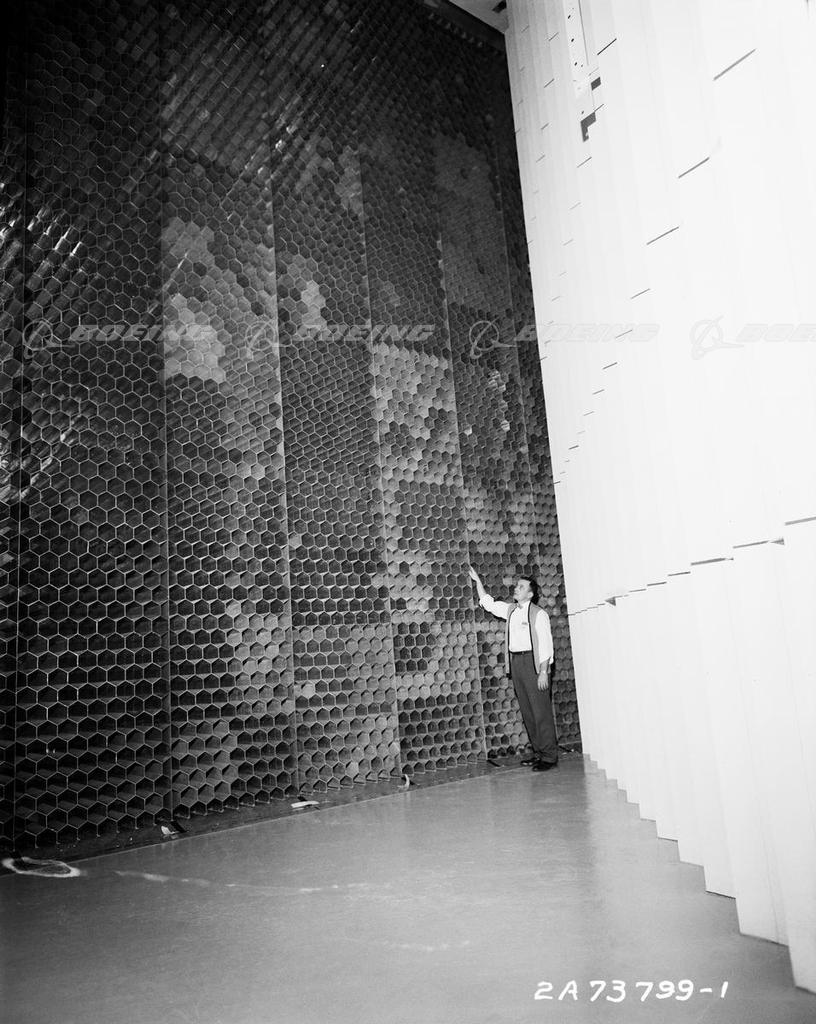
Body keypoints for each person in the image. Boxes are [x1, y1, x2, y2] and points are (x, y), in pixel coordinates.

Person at [469, 566, 558, 771]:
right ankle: (539, 753)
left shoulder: (539, 614)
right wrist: (478, 582)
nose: (516, 588)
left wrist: (543, 672)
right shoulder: (510, 610)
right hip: (517, 664)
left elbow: (546, 645)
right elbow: (489, 603)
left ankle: (549, 757)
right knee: (528, 712)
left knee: (541, 712)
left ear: (530, 593)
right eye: (517, 586)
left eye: (521, 587)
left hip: (534, 665)